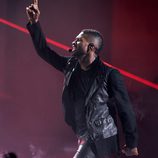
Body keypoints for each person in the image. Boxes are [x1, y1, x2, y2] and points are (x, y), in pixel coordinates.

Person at [26, 0, 139, 157]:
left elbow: (125, 110)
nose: (73, 42)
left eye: (79, 40)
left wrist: (132, 145)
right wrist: (34, 23)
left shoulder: (110, 75)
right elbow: (45, 51)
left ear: (91, 48)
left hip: (102, 137)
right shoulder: (71, 66)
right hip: (83, 136)